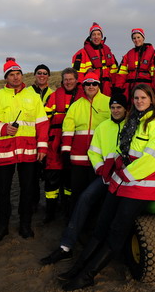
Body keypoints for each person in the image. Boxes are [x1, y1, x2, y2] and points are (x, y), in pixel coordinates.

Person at [59, 84, 155, 291]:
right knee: (102, 224)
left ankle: (88, 275)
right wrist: (112, 168)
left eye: (143, 97)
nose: (139, 101)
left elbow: (152, 160)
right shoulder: (134, 122)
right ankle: (78, 267)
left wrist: (123, 174)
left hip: (141, 186)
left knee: (116, 231)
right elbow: (122, 151)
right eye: (136, 98)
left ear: (151, 100)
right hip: (121, 182)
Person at [40, 93, 128, 265]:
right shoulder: (103, 127)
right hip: (106, 176)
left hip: (128, 178)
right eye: (113, 107)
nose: (116, 111)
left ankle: (106, 247)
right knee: (85, 198)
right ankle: (66, 246)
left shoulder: (132, 126)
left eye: (119, 107)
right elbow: (94, 152)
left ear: (126, 109)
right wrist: (100, 168)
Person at [0, 57, 49, 242]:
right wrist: (2, 128)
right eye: (12, 74)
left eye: (18, 74)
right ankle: (2, 227)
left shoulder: (33, 96)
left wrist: (42, 146)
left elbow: (42, 123)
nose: (16, 77)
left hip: (28, 151)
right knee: (4, 191)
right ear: (6, 77)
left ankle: (25, 226)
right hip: (4, 151)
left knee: (27, 190)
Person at [61, 71, 110, 216]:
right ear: (83, 86)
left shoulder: (109, 103)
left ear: (99, 85)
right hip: (78, 160)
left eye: (94, 83)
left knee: (97, 196)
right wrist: (65, 153)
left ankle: (93, 226)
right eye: (87, 83)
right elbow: (68, 130)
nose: (91, 86)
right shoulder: (76, 105)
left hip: (99, 161)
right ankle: (75, 224)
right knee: (77, 194)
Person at [42, 68, 84, 223]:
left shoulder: (83, 98)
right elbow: (44, 122)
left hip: (74, 145)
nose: (68, 82)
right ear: (62, 80)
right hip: (54, 145)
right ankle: (50, 213)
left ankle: (68, 212)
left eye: (71, 79)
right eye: (65, 79)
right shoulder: (53, 97)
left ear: (76, 80)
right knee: (51, 182)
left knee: (69, 182)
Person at [29, 64, 54, 213]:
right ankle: (33, 203)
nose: (42, 75)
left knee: (48, 172)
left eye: (45, 73)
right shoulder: (27, 92)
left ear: (48, 76)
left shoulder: (53, 93)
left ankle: (50, 206)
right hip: (30, 137)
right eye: (39, 73)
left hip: (48, 139)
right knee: (31, 175)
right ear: (35, 75)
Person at [113, 28, 155, 99]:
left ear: (143, 38)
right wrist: (118, 88)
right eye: (134, 38)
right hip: (129, 89)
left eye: (138, 37)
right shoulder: (128, 55)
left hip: (145, 89)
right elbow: (122, 73)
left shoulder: (153, 55)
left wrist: (154, 89)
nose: (136, 40)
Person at [72, 22, 118, 96]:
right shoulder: (81, 54)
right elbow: (78, 76)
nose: (96, 37)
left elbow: (114, 73)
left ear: (101, 36)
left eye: (98, 34)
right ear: (90, 37)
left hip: (107, 90)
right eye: (94, 34)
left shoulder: (108, 52)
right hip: (90, 89)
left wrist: (115, 88)